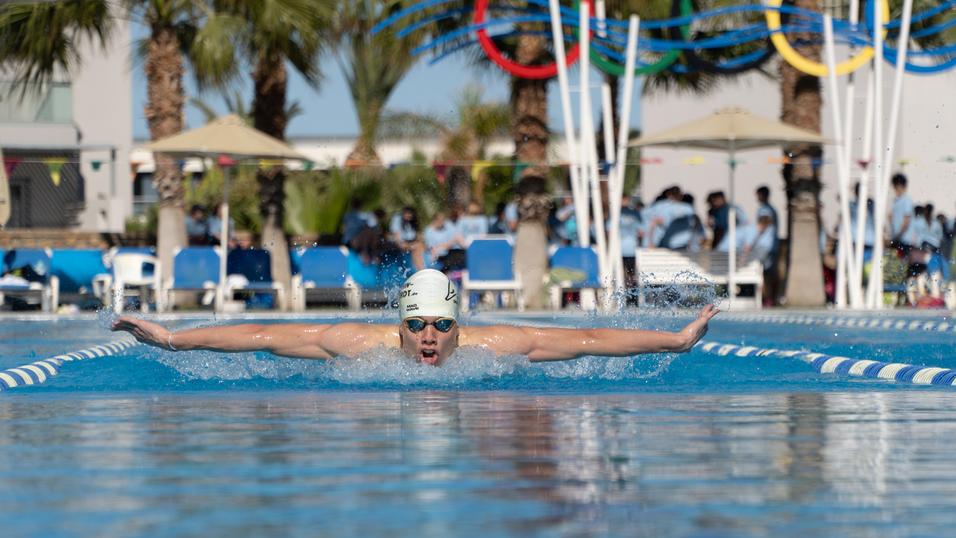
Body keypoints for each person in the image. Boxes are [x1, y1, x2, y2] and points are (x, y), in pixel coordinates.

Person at [112, 269, 719, 366]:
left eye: (442, 326)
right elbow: (265, 334)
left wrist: (674, 340)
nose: (429, 338)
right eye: (418, 325)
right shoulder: (357, 344)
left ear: (461, 325)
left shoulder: (494, 346)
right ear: (398, 323)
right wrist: (174, 338)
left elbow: (587, 337)